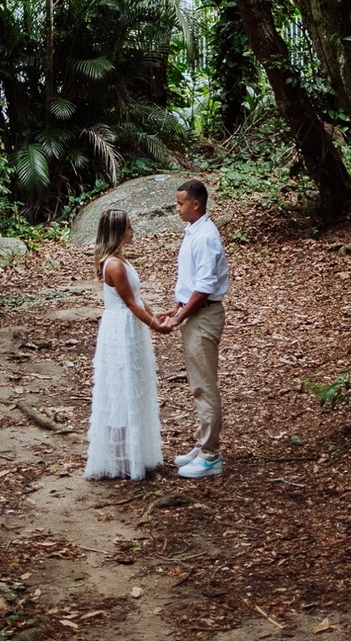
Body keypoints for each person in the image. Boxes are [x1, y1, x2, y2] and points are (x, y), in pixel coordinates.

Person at [154, 178, 229, 479]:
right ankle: (202, 445)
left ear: (196, 204)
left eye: (180, 203)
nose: (177, 208)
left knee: (204, 386)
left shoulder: (206, 237)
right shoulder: (193, 232)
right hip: (194, 313)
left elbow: (206, 286)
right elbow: (191, 282)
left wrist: (180, 316)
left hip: (204, 316)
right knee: (198, 383)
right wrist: (176, 308)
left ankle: (211, 456)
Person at [84, 209, 164, 480]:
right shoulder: (114, 265)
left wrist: (157, 315)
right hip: (120, 330)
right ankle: (120, 458)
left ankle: (134, 453)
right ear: (118, 232)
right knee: (120, 389)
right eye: (129, 227)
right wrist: (156, 326)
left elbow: (138, 298)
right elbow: (130, 304)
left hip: (130, 328)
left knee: (134, 385)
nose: (133, 231)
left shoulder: (121, 261)